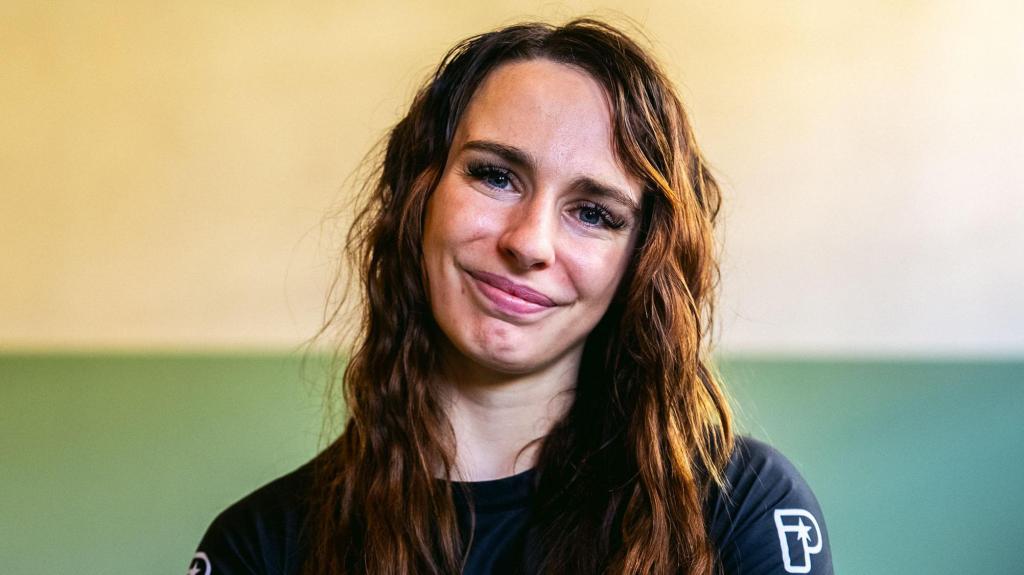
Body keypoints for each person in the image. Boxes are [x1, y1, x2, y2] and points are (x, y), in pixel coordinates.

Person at [188, 18, 833, 575]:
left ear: (640, 260)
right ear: (419, 194)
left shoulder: (740, 509)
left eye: (594, 213)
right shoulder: (260, 545)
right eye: (496, 176)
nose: (529, 242)